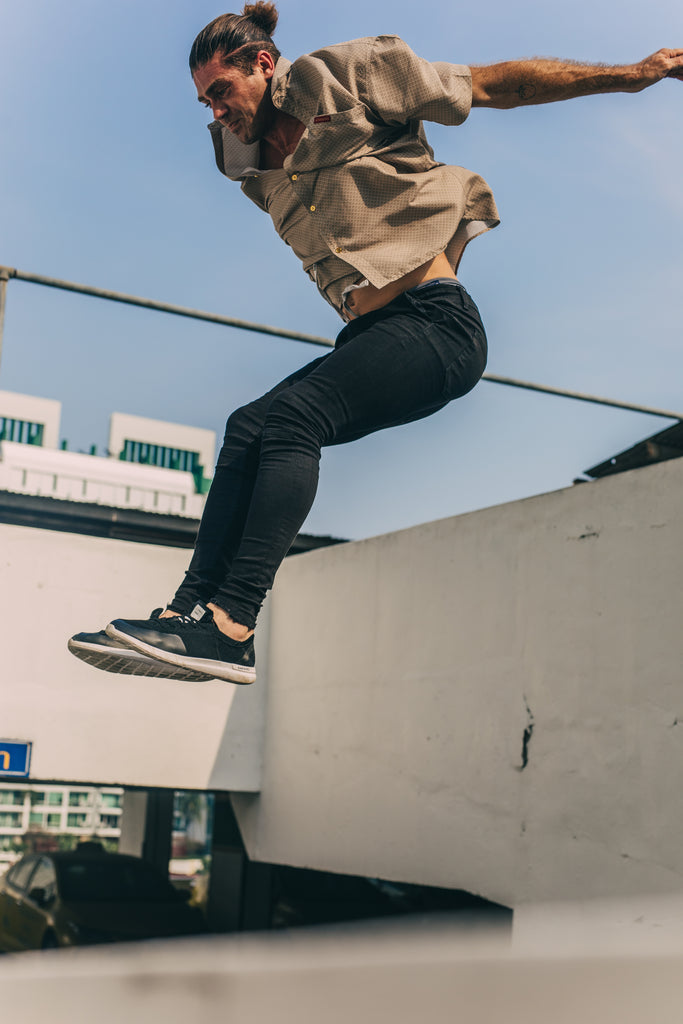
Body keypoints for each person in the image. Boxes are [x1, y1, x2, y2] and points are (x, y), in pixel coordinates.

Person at [69, 3, 683, 684]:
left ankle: (233, 622)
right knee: (248, 426)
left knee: (293, 421)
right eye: (205, 102)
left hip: (435, 327)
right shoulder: (240, 159)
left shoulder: (349, 75)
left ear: (263, 64)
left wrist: (629, 75)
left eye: (222, 92)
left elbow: (488, 85)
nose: (216, 113)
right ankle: (190, 617)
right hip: (373, 334)